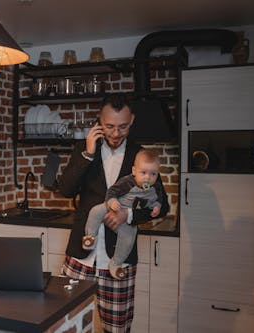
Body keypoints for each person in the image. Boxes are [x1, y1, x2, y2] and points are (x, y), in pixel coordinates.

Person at [59, 93, 169, 333]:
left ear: (132, 121)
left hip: (118, 261)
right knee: (67, 326)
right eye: (109, 126)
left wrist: (128, 216)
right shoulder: (84, 149)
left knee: (117, 329)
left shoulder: (141, 157)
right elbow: (66, 190)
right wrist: (87, 153)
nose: (116, 133)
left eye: (123, 127)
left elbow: (163, 205)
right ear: (99, 121)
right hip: (80, 255)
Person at [82, 148, 163, 280]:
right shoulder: (128, 181)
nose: (148, 177)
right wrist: (112, 201)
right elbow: (112, 191)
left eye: (153, 174)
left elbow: (158, 200)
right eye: (143, 173)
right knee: (95, 211)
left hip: (127, 218)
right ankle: (90, 237)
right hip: (114, 206)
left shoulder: (156, 187)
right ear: (134, 171)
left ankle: (116, 263)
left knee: (128, 239)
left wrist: (156, 207)